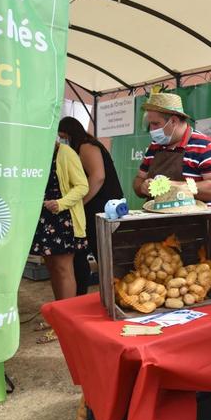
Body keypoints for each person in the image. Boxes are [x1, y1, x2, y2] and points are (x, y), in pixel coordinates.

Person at [31, 140, 89, 343]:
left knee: (64, 270)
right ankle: (57, 316)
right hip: (44, 219)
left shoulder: (66, 153)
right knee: (53, 268)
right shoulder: (38, 154)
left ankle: (65, 322)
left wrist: (61, 203)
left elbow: (83, 185)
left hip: (64, 218)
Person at [58, 116, 123, 295]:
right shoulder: (82, 146)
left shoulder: (87, 146)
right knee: (83, 253)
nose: (62, 141)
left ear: (71, 133)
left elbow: (98, 176)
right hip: (95, 205)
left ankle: (114, 295)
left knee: (101, 253)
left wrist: (79, 202)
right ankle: (83, 294)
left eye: (63, 136)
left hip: (102, 206)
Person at [132, 92, 211, 207]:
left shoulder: (205, 146)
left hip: (195, 222)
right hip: (158, 221)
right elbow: (139, 179)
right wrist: (142, 187)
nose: (152, 129)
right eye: (150, 124)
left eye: (155, 124)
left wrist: (172, 187)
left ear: (173, 121)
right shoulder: (154, 146)